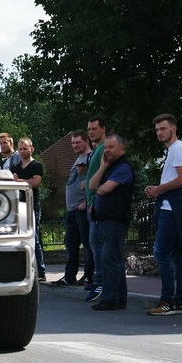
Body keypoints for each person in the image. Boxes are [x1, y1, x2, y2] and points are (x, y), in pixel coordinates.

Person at [144, 114, 182, 315]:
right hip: (174, 204)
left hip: (171, 207)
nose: (159, 133)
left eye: (163, 129)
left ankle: (167, 302)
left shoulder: (177, 149)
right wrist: (159, 188)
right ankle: (180, 302)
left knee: (161, 253)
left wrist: (159, 189)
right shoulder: (177, 150)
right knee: (178, 254)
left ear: (173, 128)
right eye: (157, 130)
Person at [87, 134, 135, 310]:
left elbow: (105, 189)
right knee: (113, 260)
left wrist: (100, 189)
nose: (106, 150)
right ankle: (119, 299)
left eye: (111, 147)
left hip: (115, 220)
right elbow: (92, 186)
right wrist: (102, 167)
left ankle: (110, 299)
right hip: (105, 220)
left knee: (109, 260)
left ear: (122, 148)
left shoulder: (123, 167)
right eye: (105, 147)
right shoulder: (109, 167)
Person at [52, 130, 94, 285]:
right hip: (71, 210)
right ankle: (69, 276)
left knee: (87, 244)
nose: (75, 145)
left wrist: (87, 202)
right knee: (70, 244)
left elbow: (92, 181)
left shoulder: (91, 157)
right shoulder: (78, 159)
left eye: (78, 142)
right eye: (73, 143)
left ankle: (89, 276)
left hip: (81, 208)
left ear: (86, 141)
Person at [11, 137, 47, 281]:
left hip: (33, 207)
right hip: (18, 207)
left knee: (35, 238)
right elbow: (12, 182)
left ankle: (41, 271)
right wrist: (23, 182)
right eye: (20, 149)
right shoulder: (15, 167)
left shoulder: (36, 165)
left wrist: (19, 181)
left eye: (25, 148)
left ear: (32, 149)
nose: (23, 151)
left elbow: (36, 182)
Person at [84, 116, 107, 302]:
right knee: (94, 244)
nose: (91, 132)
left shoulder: (104, 149)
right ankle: (98, 280)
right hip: (92, 202)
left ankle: (100, 282)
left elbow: (104, 175)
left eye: (94, 129)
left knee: (97, 244)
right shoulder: (96, 150)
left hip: (97, 204)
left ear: (103, 129)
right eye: (89, 129)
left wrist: (95, 202)